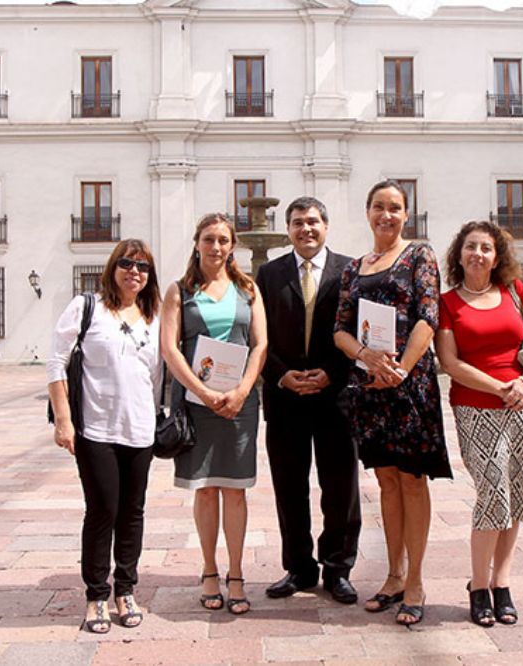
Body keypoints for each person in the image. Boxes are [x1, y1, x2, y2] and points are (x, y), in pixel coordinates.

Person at [333, 180, 452, 626]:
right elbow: (340, 330)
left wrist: (399, 367)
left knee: (411, 480)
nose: (387, 214)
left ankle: (416, 580)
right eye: (379, 207)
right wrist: (366, 358)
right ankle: (394, 575)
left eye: (395, 208)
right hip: (370, 386)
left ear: (406, 214)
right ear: (368, 213)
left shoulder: (419, 255)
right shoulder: (353, 269)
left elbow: (428, 316)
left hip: (409, 385)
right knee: (385, 480)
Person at [435, 220, 523, 627]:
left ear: (497, 256)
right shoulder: (447, 303)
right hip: (474, 406)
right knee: (493, 492)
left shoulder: (515, 292)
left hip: (522, 404)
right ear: (459, 254)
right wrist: (502, 388)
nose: (478, 254)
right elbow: (450, 363)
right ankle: (478, 586)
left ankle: (502, 583)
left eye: (486, 248)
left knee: (518, 488)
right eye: (470, 247)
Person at [47, 239, 162, 633]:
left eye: (143, 267)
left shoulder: (154, 316)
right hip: (96, 430)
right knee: (102, 511)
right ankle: (97, 595)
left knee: (133, 513)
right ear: (113, 267)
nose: (135, 272)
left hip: (141, 430)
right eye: (127, 264)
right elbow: (56, 362)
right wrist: (64, 420)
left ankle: (125, 589)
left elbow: (158, 377)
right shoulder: (87, 307)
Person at [160, 213, 268, 616]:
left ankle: (236, 575)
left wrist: (242, 390)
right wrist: (201, 391)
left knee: (235, 490)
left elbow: (260, 344)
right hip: (197, 403)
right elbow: (170, 349)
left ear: (232, 245)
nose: (217, 247)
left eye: (224, 240)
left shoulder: (248, 289)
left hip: (239, 405)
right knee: (205, 489)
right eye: (209, 239)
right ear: (197, 243)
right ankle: (209, 571)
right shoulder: (179, 291)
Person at [255, 196, 361, 605]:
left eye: (313, 221)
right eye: (298, 223)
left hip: (336, 396)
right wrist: (281, 374)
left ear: (326, 226)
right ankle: (298, 568)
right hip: (285, 397)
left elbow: (359, 331)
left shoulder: (350, 271)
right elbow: (258, 337)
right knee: (289, 487)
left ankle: (338, 569)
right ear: (288, 230)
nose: (306, 229)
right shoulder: (269, 274)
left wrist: (331, 372)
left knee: (340, 486)